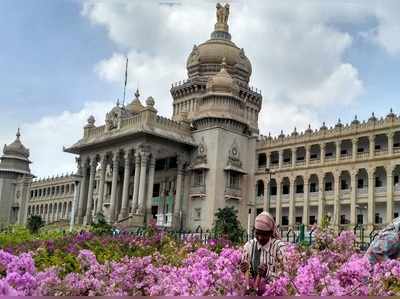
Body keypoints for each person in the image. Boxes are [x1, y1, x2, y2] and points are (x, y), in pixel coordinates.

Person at [240, 212, 287, 288]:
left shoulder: (279, 247)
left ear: (271, 233)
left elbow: (286, 275)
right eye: (257, 233)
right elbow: (245, 279)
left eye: (264, 234)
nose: (260, 237)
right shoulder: (249, 246)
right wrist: (243, 271)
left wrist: (267, 273)